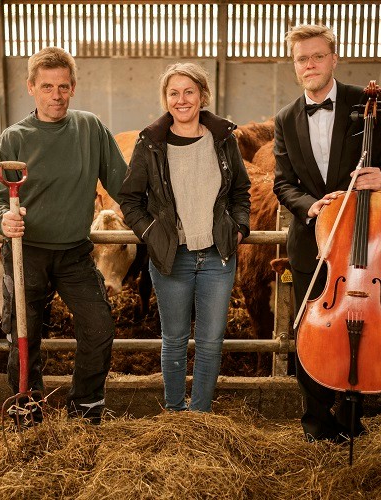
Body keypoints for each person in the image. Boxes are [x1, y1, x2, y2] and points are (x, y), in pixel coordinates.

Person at [273, 25, 381, 442]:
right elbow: (283, 183)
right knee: (311, 329)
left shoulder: (365, 106)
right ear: (294, 66)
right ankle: (315, 422)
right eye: (301, 59)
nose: (309, 64)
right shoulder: (284, 119)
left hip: (362, 241)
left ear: (334, 58)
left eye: (317, 56)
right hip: (310, 240)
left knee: (360, 323)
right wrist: (308, 206)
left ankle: (352, 419)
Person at [0, 47, 128, 425]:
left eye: (63, 86)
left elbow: (124, 184)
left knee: (99, 325)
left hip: (75, 253)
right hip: (25, 251)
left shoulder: (90, 128)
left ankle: (86, 406)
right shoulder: (14, 139)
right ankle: (27, 406)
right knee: (23, 335)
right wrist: (3, 222)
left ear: (73, 87)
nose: (56, 95)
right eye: (47, 87)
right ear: (31, 88)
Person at [119, 62, 251, 412]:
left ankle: (201, 413)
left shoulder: (223, 140)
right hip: (171, 256)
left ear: (202, 95)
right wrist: (150, 233)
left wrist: (239, 227)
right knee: (174, 340)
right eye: (173, 93)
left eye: (189, 91)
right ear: (165, 99)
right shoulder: (150, 143)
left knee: (210, 341)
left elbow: (241, 190)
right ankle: (175, 413)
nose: (181, 99)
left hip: (217, 255)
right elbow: (130, 199)